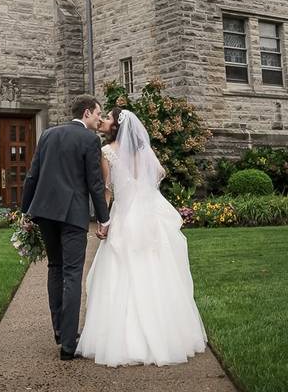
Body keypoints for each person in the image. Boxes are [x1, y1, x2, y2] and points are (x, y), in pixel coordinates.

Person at [76, 107, 207, 366]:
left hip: (125, 213)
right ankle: (166, 334)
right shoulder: (143, 150)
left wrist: (104, 221)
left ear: (116, 126)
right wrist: (143, 188)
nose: (104, 120)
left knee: (121, 268)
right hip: (147, 213)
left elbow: (107, 191)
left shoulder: (107, 152)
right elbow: (159, 172)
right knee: (155, 267)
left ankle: (122, 339)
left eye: (109, 118)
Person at [21, 94, 111, 361]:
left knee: (55, 268)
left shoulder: (48, 134)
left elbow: (32, 175)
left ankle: (60, 330)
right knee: (72, 274)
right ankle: (69, 345)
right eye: (97, 113)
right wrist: (104, 218)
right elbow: (95, 183)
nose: (99, 118)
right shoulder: (89, 140)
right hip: (72, 215)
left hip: (45, 213)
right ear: (85, 113)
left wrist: (25, 211)